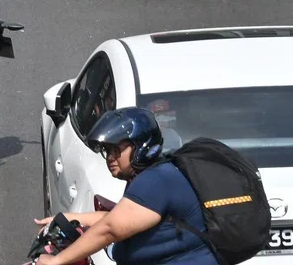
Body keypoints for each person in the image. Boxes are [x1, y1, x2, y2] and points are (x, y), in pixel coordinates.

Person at [36, 108, 214, 265]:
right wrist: (69, 218)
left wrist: (57, 260)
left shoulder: (157, 181)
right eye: (107, 151)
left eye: (116, 150)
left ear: (140, 147)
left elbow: (110, 229)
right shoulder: (150, 176)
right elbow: (116, 218)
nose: (110, 158)